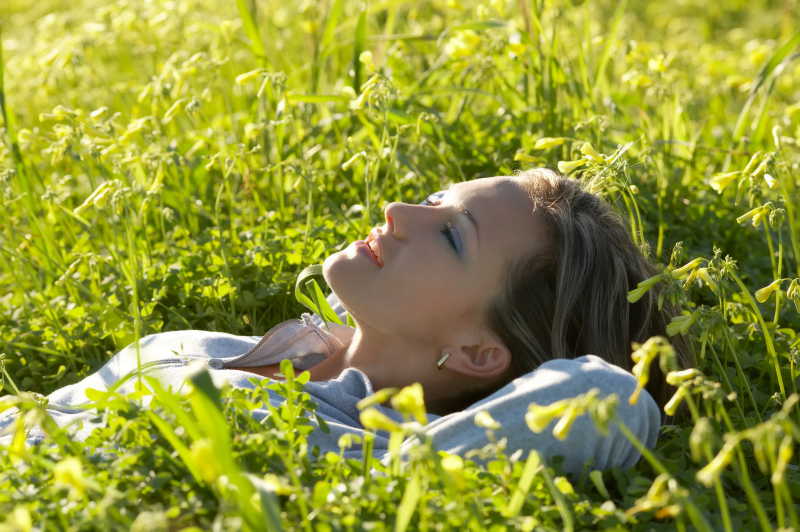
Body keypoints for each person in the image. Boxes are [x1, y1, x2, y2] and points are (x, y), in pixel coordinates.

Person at [0, 168, 685, 475]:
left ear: (479, 352)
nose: (398, 212)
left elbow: (612, 399)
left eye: (451, 236)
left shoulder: (355, 457)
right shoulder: (229, 347)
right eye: (431, 199)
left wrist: (411, 462)